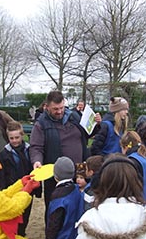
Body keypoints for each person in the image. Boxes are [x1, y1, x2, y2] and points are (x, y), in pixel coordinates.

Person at [30, 90, 97, 218]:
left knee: (79, 203)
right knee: (55, 207)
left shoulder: (74, 117)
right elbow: (36, 147)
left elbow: (88, 133)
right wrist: (37, 161)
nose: (59, 111)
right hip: (57, 174)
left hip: (79, 169)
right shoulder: (41, 124)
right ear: (47, 106)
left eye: (61, 107)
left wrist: (96, 124)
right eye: (55, 109)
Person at [0, 121, 39, 237]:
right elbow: (1, 176)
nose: (14, 140)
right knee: (14, 215)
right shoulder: (3, 155)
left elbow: (36, 171)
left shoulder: (30, 151)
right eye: (11, 138)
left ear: (22, 135)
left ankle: (21, 234)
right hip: (12, 190)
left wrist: (37, 191)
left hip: (28, 190)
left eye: (17, 137)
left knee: (25, 215)